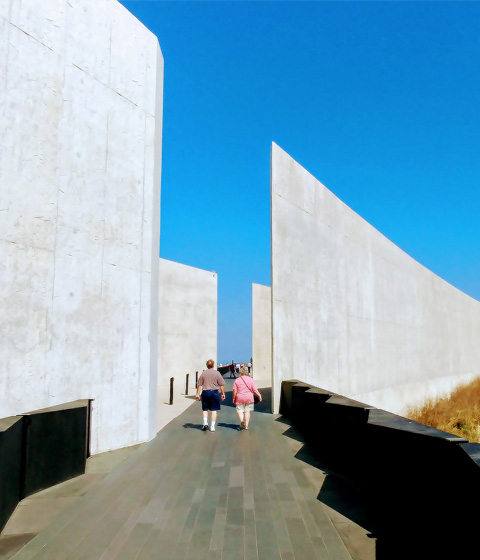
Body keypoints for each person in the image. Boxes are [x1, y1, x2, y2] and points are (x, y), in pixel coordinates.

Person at [195, 359, 225, 432]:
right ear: (213, 365)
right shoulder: (217, 373)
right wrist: (222, 393)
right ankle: (212, 426)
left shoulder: (203, 373)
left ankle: (205, 423)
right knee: (213, 410)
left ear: (207, 365)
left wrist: (197, 394)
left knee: (205, 409)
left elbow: (199, 384)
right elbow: (221, 384)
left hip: (205, 392)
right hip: (214, 392)